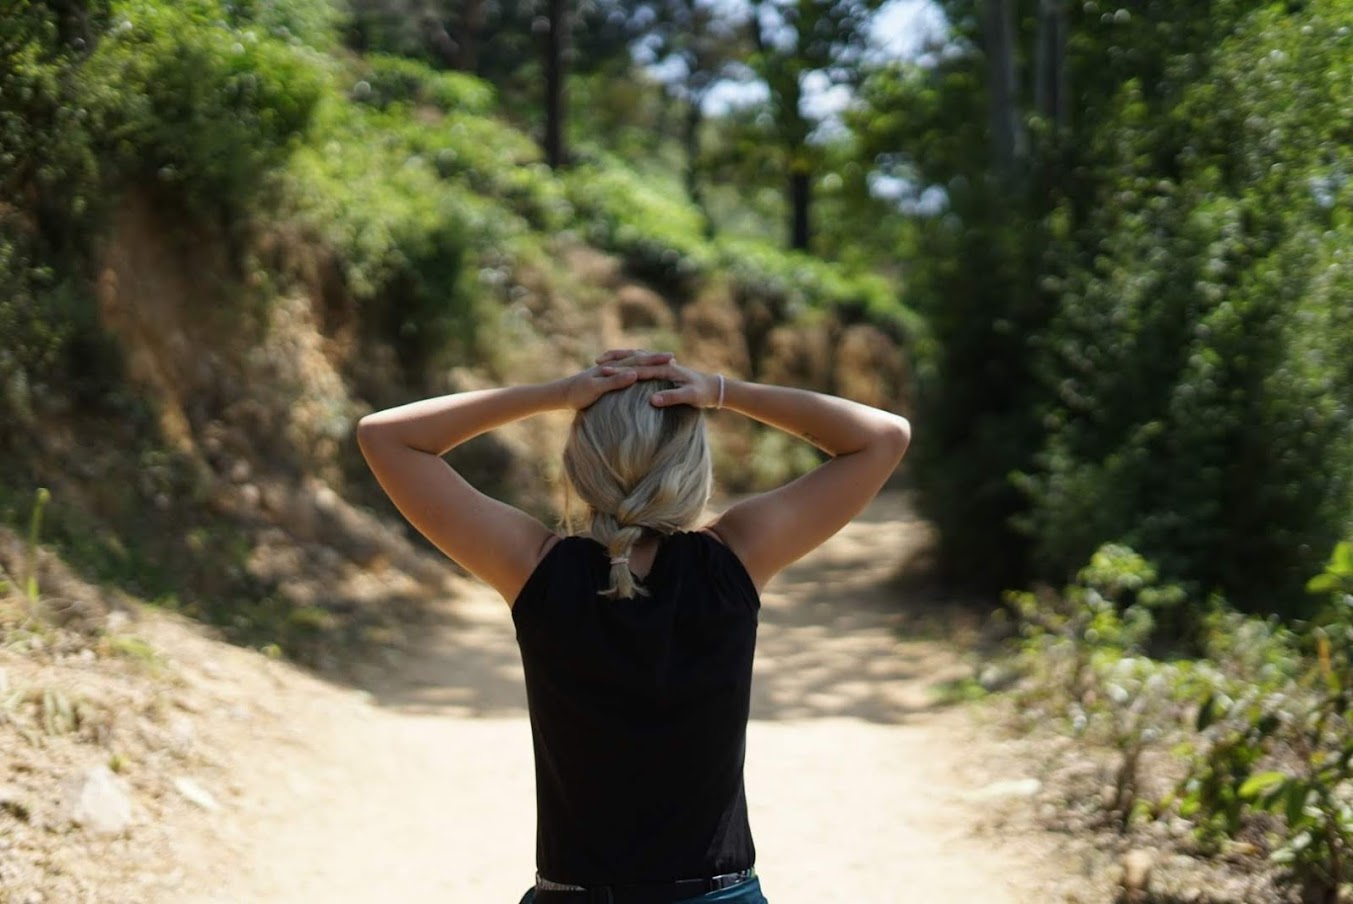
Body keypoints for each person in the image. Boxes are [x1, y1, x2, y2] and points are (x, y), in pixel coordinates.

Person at [357, 349, 912, 904]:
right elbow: (882, 437)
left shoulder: (533, 566)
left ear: (578, 464)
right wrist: (720, 390)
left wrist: (555, 394)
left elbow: (387, 436)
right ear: (693, 465)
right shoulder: (737, 556)